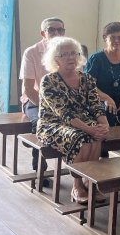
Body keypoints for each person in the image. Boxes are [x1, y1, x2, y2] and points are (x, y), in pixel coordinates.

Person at [36, 36, 109, 205]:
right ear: (56, 59)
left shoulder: (87, 79)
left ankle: (88, 181)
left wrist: (104, 124)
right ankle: (77, 186)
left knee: (96, 135)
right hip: (52, 125)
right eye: (64, 54)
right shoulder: (49, 81)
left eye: (73, 53)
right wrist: (90, 129)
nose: (70, 57)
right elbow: (64, 114)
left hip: (82, 122)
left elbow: (95, 105)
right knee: (81, 137)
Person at [19, 17, 65, 180]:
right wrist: (48, 107)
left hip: (61, 101)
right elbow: (29, 89)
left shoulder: (67, 51)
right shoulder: (31, 52)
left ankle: (82, 172)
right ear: (42, 33)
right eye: (51, 30)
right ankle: (40, 168)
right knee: (41, 122)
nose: (57, 33)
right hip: (35, 100)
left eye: (60, 30)